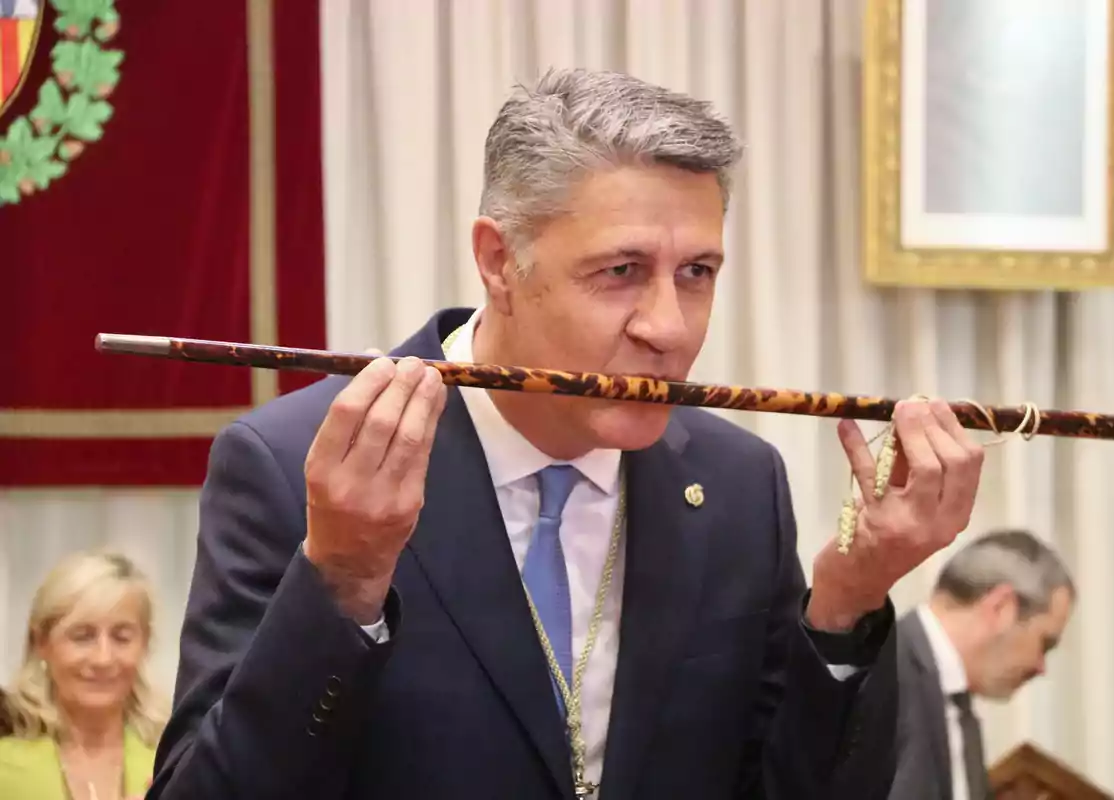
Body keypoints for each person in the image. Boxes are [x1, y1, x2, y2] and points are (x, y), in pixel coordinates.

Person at [148, 67, 985, 800]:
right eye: (620, 272)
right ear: (499, 261)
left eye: (697, 274)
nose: (669, 328)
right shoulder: (294, 464)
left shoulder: (737, 485)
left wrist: (847, 600)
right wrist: (342, 579)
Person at [887, 529, 1076, 800]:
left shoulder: (958, 706)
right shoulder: (877, 675)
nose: (1041, 667)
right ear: (1001, 607)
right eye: (1044, 644)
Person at [0, 550, 165, 800]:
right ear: (41, 642)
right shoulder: (6, 766)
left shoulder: (174, 760)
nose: (103, 658)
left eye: (122, 637)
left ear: (145, 644)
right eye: (82, 637)